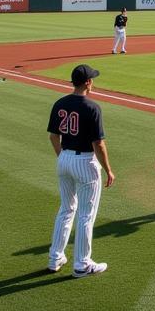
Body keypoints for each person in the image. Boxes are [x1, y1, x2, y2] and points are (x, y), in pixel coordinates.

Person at [47, 64, 115, 277]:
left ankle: (55, 258)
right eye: (92, 79)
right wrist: (109, 170)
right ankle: (82, 264)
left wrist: (64, 159)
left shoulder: (60, 103)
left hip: (64, 158)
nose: (93, 82)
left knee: (66, 209)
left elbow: (53, 136)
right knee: (86, 214)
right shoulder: (92, 107)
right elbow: (99, 144)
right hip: (85, 161)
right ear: (87, 83)